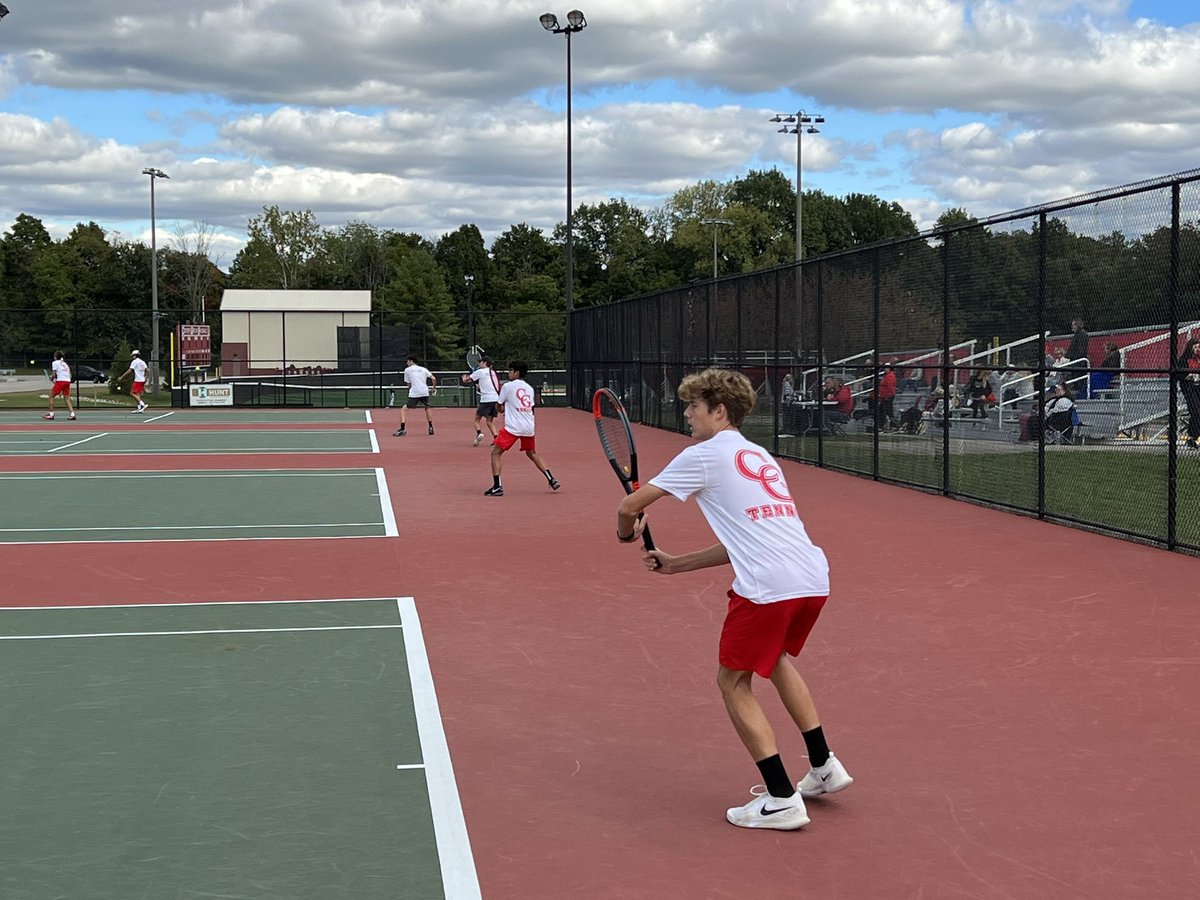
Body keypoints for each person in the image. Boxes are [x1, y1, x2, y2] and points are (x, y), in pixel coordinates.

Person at [615, 368, 850, 831]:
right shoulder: (758, 455)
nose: (686, 414)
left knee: (733, 682)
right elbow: (744, 538)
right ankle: (824, 768)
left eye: (693, 407)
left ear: (719, 411)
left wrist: (627, 533)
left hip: (768, 586)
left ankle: (782, 800)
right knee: (776, 659)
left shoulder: (703, 454)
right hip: (811, 577)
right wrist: (677, 563)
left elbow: (628, 506)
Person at [484, 360, 560, 496]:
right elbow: (530, 407)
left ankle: (497, 486)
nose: (509, 373)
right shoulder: (529, 389)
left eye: (510, 370)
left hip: (513, 427)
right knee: (532, 453)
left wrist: (501, 408)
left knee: (495, 453)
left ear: (516, 372)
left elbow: (499, 406)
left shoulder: (507, 387)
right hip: (529, 426)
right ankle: (551, 479)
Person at [462, 355, 501, 447]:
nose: (479, 364)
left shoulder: (480, 372)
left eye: (480, 362)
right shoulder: (493, 372)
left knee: (476, 420)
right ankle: (496, 439)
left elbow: (466, 380)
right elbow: (486, 384)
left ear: (484, 363)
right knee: (489, 421)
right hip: (495, 399)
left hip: (486, 399)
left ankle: (479, 433)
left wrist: (464, 378)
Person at [394, 356, 437, 437]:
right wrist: (433, 388)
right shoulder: (423, 369)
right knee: (427, 408)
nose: (406, 363)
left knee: (404, 409)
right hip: (425, 392)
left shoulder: (407, 370)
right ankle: (431, 427)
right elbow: (433, 378)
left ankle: (402, 429)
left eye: (407, 361)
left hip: (415, 393)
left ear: (411, 361)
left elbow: (408, 383)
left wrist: (411, 389)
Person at [1178, 338, 1200, 449]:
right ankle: (1193, 437)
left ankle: (1194, 437)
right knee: (1195, 411)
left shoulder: (1198, 360)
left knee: (1197, 413)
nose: (1197, 349)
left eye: (1198, 347)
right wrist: (1189, 376)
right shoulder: (1185, 360)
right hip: (1190, 388)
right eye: (1195, 347)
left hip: (1198, 388)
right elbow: (1179, 375)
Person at [43, 350, 77, 420]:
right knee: (67, 398)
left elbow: (53, 374)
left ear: (55, 357)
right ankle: (72, 414)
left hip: (61, 381)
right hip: (67, 381)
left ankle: (51, 414)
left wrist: (52, 379)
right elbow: (69, 375)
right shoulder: (65, 364)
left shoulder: (55, 363)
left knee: (51, 396)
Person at [874, 364, 897, 430]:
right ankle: (883, 425)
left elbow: (890, 387)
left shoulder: (890, 376)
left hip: (888, 396)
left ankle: (891, 425)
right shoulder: (887, 375)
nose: (885, 369)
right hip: (885, 396)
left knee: (887, 411)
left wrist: (887, 396)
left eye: (886, 368)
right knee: (884, 410)